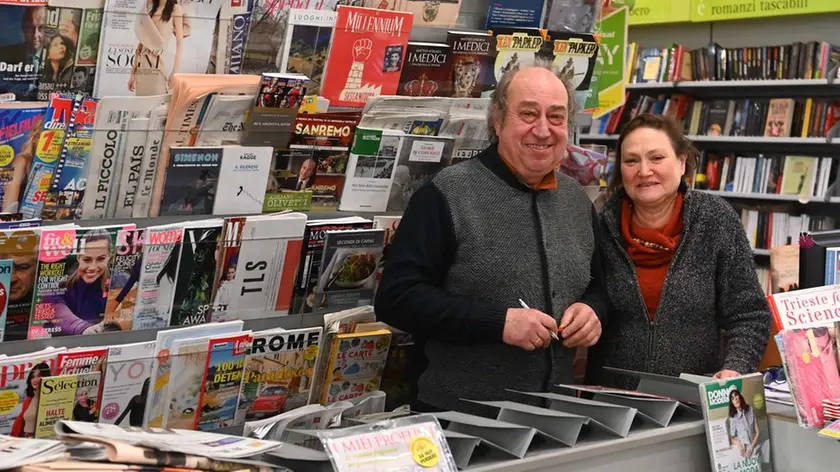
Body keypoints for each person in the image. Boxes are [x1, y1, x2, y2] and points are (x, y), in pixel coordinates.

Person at [375, 61, 608, 413]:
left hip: (553, 423)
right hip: (457, 419)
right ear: (498, 120)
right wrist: (498, 323)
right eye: (528, 114)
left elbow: (600, 286)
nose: (543, 130)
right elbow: (397, 299)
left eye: (556, 117)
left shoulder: (577, 200)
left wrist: (593, 310)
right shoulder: (446, 194)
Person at [586, 114, 770, 389]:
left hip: (692, 404)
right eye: (631, 161)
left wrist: (735, 367)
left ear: (682, 162)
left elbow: (749, 313)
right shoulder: (600, 226)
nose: (644, 170)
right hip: (611, 405)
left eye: (657, 158)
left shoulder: (716, 221)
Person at [43, 229, 114, 336]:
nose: (92, 267)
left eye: (101, 259)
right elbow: (57, 310)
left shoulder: (118, 283)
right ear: (78, 257)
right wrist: (83, 328)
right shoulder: (60, 286)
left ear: (109, 256)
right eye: (87, 259)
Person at [129, 0, 184, 95]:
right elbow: (142, 43)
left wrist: (175, 71)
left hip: (160, 65)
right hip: (143, 67)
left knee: (157, 103)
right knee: (141, 106)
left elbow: (180, 42)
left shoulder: (175, 9)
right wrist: (133, 74)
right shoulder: (149, 8)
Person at [11, 362, 50, 437]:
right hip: (27, 439)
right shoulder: (28, 401)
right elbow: (19, 423)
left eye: (39, 376)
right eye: (32, 377)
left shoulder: (51, 399)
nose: (35, 380)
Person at [728, 388, 763, 460]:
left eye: (736, 395)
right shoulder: (733, 418)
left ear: (740, 397)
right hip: (743, 450)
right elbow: (731, 438)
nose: (735, 399)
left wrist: (751, 448)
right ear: (732, 402)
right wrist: (738, 444)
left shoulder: (750, 409)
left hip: (754, 445)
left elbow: (758, 432)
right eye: (733, 398)